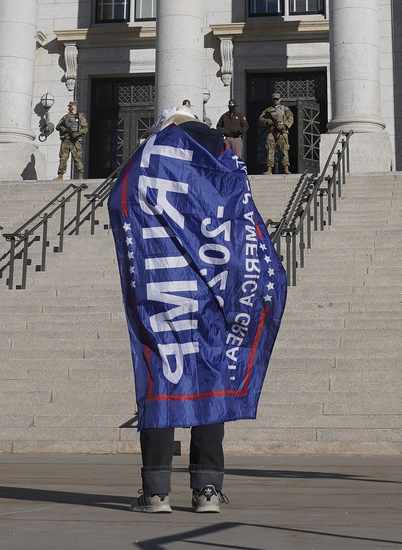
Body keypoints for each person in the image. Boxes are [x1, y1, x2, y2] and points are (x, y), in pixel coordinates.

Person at [109, 104, 287, 515]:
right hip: (215, 293)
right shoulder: (226, 157)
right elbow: (244, 223)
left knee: (162, 381)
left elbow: (121, 200)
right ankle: (207, 491)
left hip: (164, 285)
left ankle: (155, 493)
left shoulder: (153, 151)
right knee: (210, 384)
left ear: (167, 124)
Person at [258, 92, 294, 174]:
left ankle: (286, 168)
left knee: (284, 149)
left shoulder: (285, 109)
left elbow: (291, 118)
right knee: (270, 149)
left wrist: (285, 126)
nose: (275, 101)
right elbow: (261, 118)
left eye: (277, 99)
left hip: (282, 131)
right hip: (272, 131)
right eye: (274, 99)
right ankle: (269, 169)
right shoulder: (268, 110)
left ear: (280, 99)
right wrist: (267, 121)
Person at [54, 100, 89, 180]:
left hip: (75, 140)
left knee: (77, 158)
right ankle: (60, 175)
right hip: (66, 140)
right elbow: (58, 126)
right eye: (69, 106)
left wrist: (78, 133)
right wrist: (61, 128)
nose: (69, 108)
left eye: (71, 106)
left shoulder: (80, 117)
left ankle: (80, 175)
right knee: (63, 157)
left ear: (75, 107)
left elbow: (85, 128)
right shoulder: (65, 117)